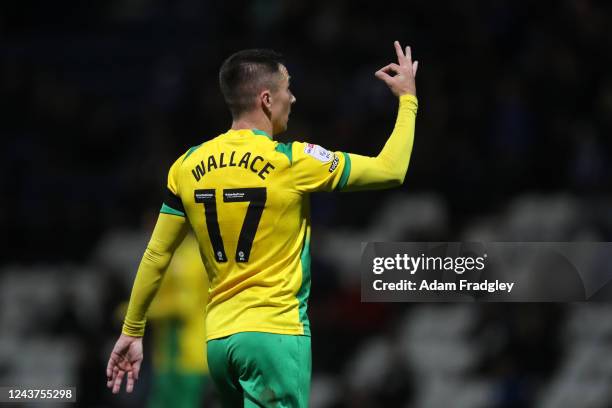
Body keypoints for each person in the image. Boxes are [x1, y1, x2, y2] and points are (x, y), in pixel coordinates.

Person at [106, 40, 418, 407]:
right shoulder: (293, 161)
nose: (294, 98)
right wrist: (408, 100)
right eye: (288, 88)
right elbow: (391, 170)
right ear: (267, 99)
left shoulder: (187, 166)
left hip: (219, 343)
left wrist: (132, 329)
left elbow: (157, 254)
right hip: (275, 336)